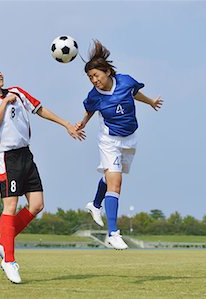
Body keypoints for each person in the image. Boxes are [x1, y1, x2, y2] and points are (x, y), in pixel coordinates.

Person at [0, 63, 85, 284]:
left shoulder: (17, 91)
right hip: (7, 157)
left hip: (26, 155)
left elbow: (40, 109)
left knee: (37, 205)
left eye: (0, 70)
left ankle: (1, 241)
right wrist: (5, 103)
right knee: (10, 207)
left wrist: (66, 124)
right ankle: (9, 259)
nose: (0, 73)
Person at [75, 40, 163, 250]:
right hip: (109, 140)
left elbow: (134, 93)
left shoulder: (125, 81)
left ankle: (95, 204)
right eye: (90, 78)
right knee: (116, 183)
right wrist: (82, 123)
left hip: (130, 138)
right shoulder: (94, 96)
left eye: (96, 75)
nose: (94, 80)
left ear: (107, 72)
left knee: (110, 178)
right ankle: (113, 233)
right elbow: (90, 110)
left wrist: (150, 102)